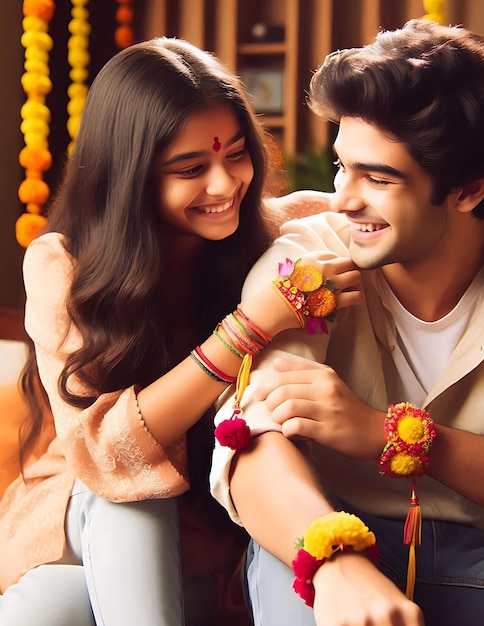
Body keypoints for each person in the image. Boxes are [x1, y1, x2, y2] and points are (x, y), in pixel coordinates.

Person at [209, 20, 484, 626]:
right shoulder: (305, 262)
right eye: (341, 167)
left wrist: (391, 435)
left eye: (377, 177)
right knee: (295, 558)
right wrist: (336, 560)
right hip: (334, 533)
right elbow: (247, 442)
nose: (344, 199)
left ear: (470, 188)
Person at [0, 37, 364, 626]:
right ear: (131, 175)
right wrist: (252, 325)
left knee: (47, 610)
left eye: (237, 155)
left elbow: (406, 205)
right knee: (131, 501)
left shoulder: (274, 233)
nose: (225, 185)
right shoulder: (62, 265)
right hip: (86, 502)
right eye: (191, 168)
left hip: (209, 533)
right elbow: (106, 455)